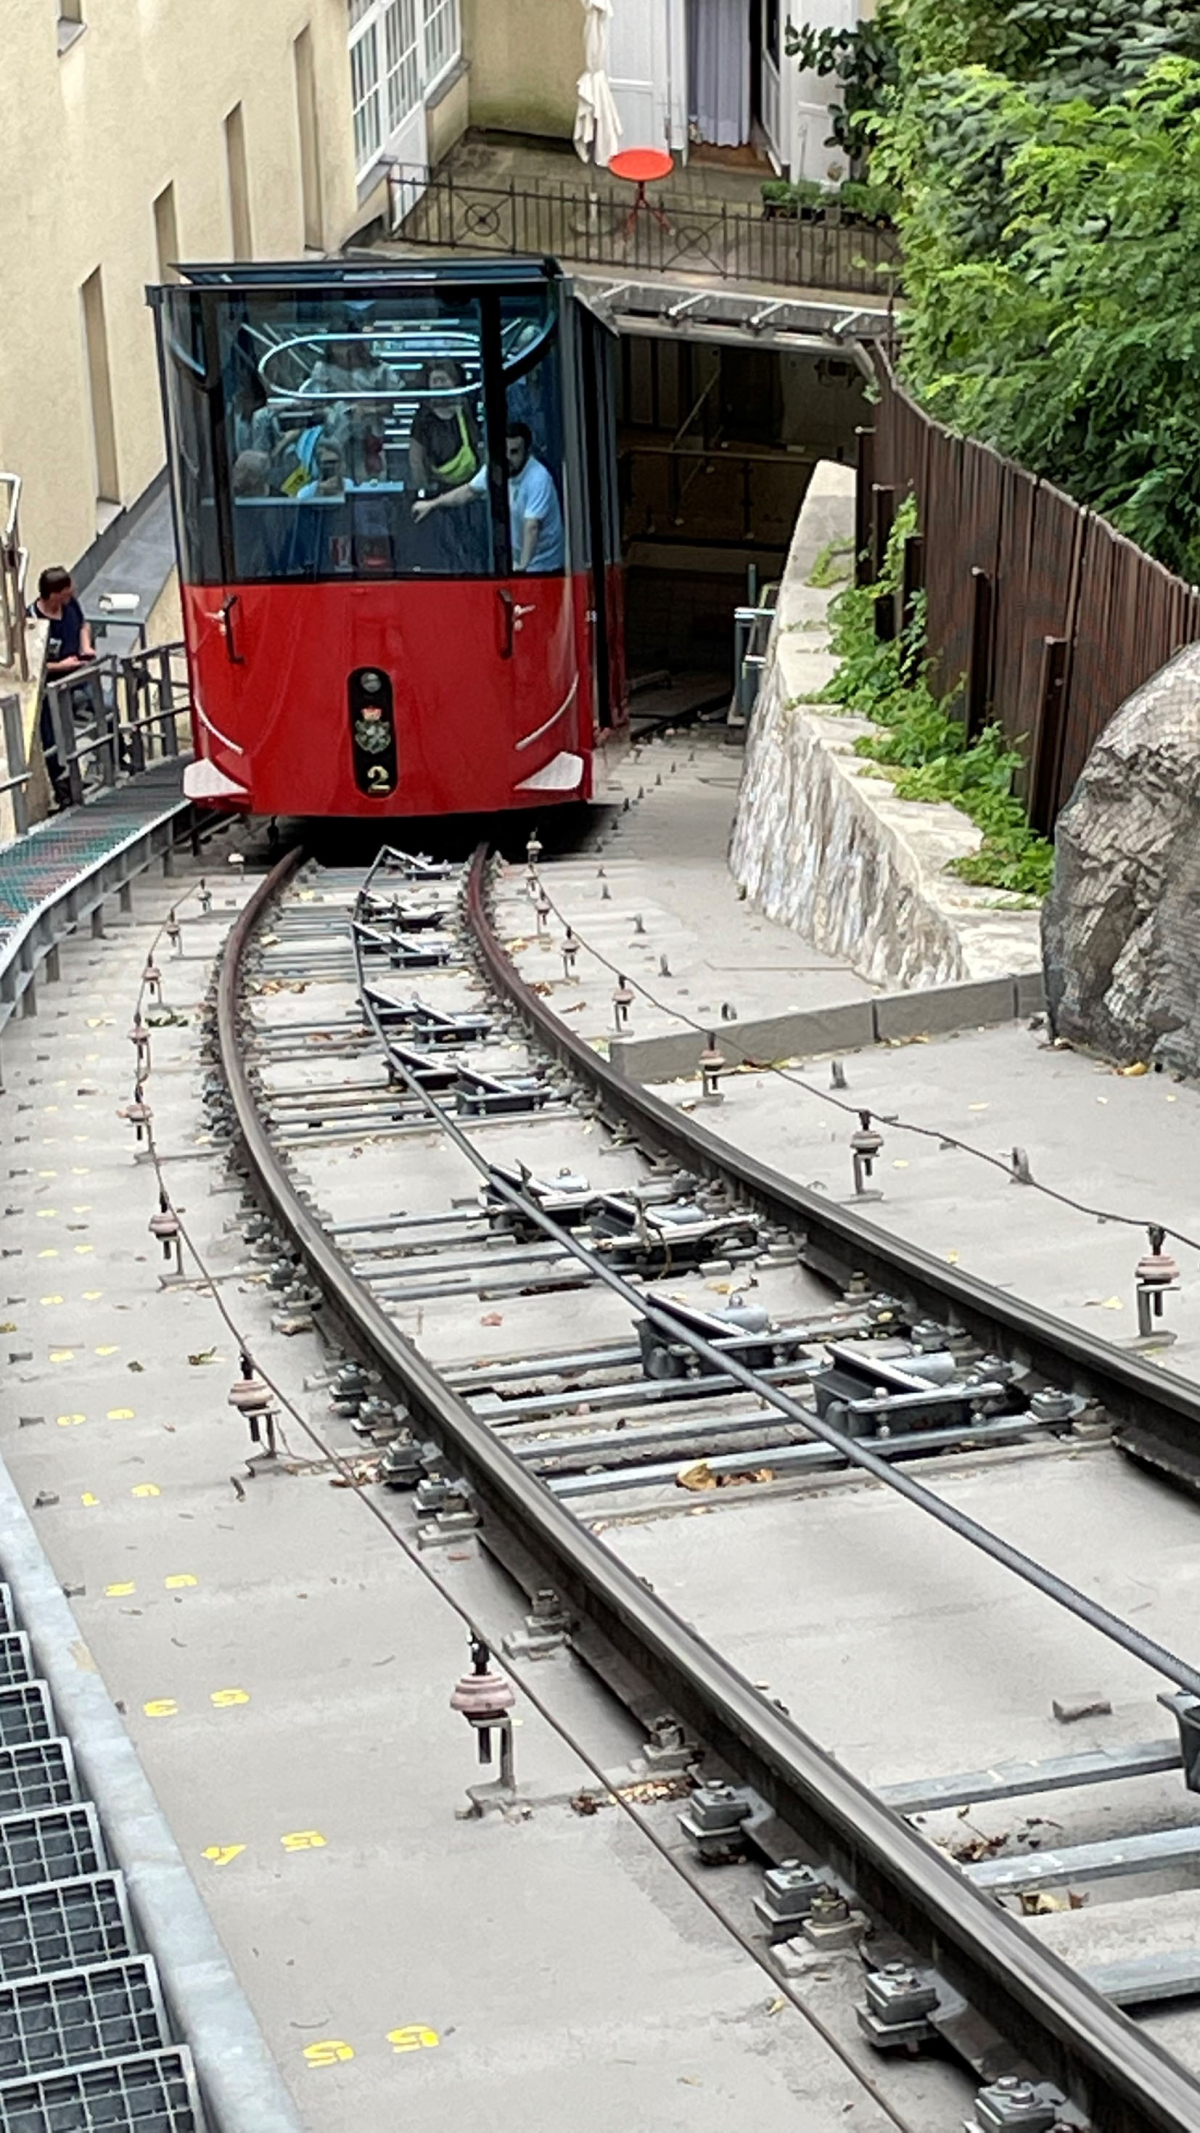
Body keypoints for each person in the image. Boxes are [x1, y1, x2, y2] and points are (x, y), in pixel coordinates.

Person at [412, 422, 564, 573]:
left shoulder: (538, 478)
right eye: (504, 450)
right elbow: (468, 492)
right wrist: (432, 504)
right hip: (518, 560)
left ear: (527, 452)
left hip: (545, 564)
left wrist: (522, 570)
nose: (507, 457)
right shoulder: (496, 469)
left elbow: (532, 527)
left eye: (514, 452)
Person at [27, 566, 95, 806]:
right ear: (53, 594)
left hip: (77, 678)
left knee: (104, 708)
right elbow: (34, 666)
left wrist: (85, 645)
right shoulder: (32, 622)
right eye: (66, 594)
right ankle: (63, 788)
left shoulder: (70, 606)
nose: (70, 597)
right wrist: (61, 665)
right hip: (51, 689)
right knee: (52, 737)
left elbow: (83, 625)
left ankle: (114, 757)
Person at [409, 361, 482, 493]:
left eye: (443, 380)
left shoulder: (466, 409)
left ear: (454, 383)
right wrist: (424, 488)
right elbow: (416, 459)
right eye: (435, 381)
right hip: (436, 487)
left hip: (468, 486)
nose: (440, 385)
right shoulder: (423, 417)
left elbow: (476, 444)